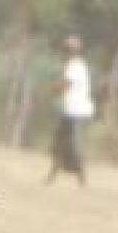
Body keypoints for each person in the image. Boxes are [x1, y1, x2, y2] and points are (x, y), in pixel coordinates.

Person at [46, 34, 94, 186]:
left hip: (78, 112)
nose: (63, 53)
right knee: (61, 145)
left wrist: (49, 91)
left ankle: (82, 180)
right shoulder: (75, 65)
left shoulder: (75, 66)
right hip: (71, 111)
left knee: (73, 146)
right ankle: (52, 178)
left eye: (65, 50)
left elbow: (65, 85)